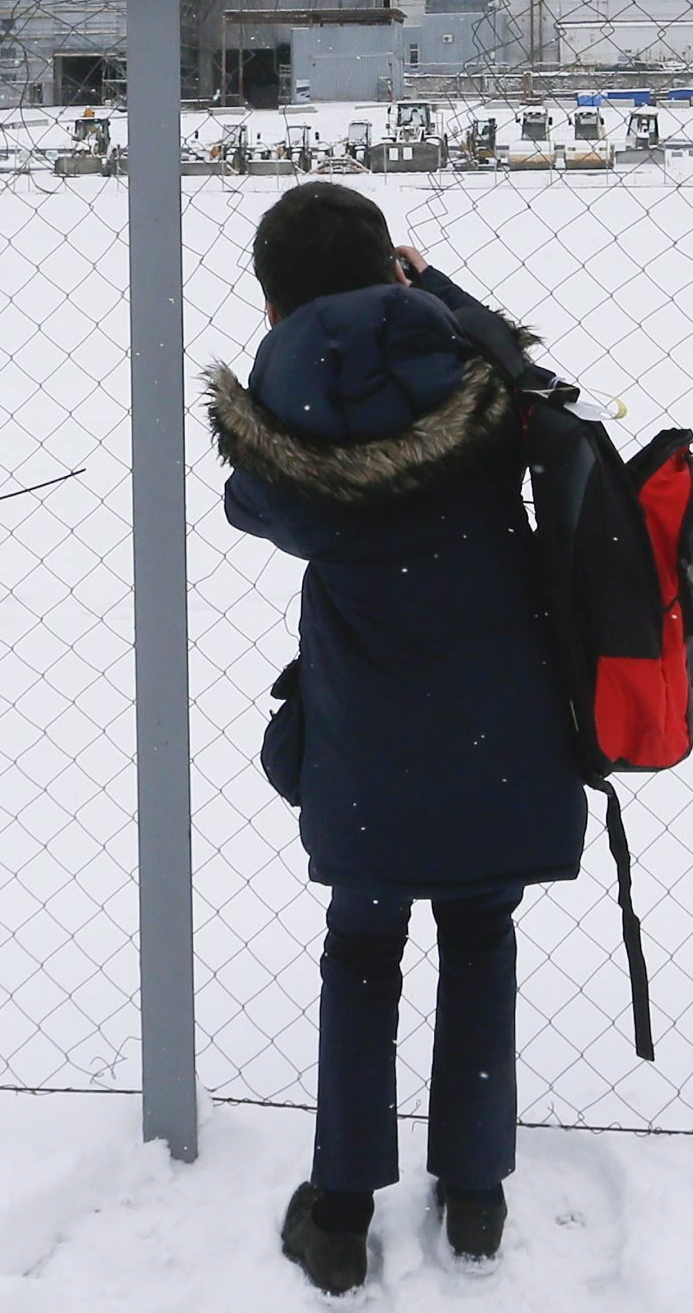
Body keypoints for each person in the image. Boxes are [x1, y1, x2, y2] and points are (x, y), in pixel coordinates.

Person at [211, 180, 585, 1295]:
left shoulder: (280, 432)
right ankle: (475, 1194)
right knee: (480, 934)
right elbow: (529, 374)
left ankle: (338, 1212)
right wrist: (439, 295)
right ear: (392, 272)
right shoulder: (479, 386)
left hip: (366, 741)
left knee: (362, 950)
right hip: (499, 722)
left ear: (273, 307)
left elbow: (248, 504)